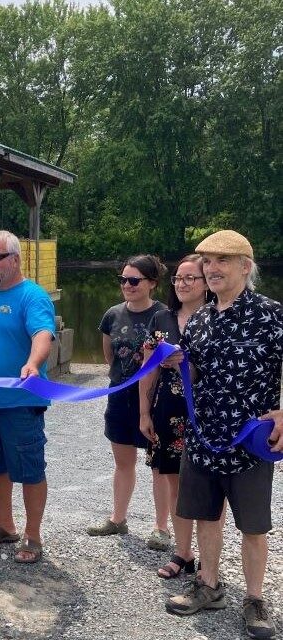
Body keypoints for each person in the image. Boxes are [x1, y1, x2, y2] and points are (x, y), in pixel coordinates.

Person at [166, 230, 282, 640]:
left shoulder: (270, 314)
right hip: (204, 439)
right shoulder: (199, 318)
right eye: (208, 261)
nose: (211, 269)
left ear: (245, 267)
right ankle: (208, 586)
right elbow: (196, 375)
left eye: (222, 261)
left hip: (250, 441)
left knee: (253, 525)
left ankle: (254, 600)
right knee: (205, 516)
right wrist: (175, 363)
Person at [0, 230, 55, 564]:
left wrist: (32, 363)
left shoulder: (32, 295)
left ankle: (33, 535)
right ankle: (6, 525)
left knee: (29, 468)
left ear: (14, 259)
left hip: (19, 402)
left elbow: (43, 334)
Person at [87, 255, 168, 544]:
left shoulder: (164, 316)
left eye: (134, 280)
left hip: (156, 400)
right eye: (123, 280)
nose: (127, 285)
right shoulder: (112, 315)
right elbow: (110, 358)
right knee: (123, 463)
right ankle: (118, 519)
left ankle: (162, 528)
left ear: (152, 283)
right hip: (120, 398)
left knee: (160, 466)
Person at [138, 255, 210, 578]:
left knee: (208, 489)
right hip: (167, 412)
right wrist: (144, 412)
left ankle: (211, 562)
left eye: (189, 278)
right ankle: (183, 553)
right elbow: (147, 369)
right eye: (178, 278)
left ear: (206, 283)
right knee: (173, 483)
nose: (181, 284)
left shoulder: (216, 319)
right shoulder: (162, 321)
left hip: (207, 415)